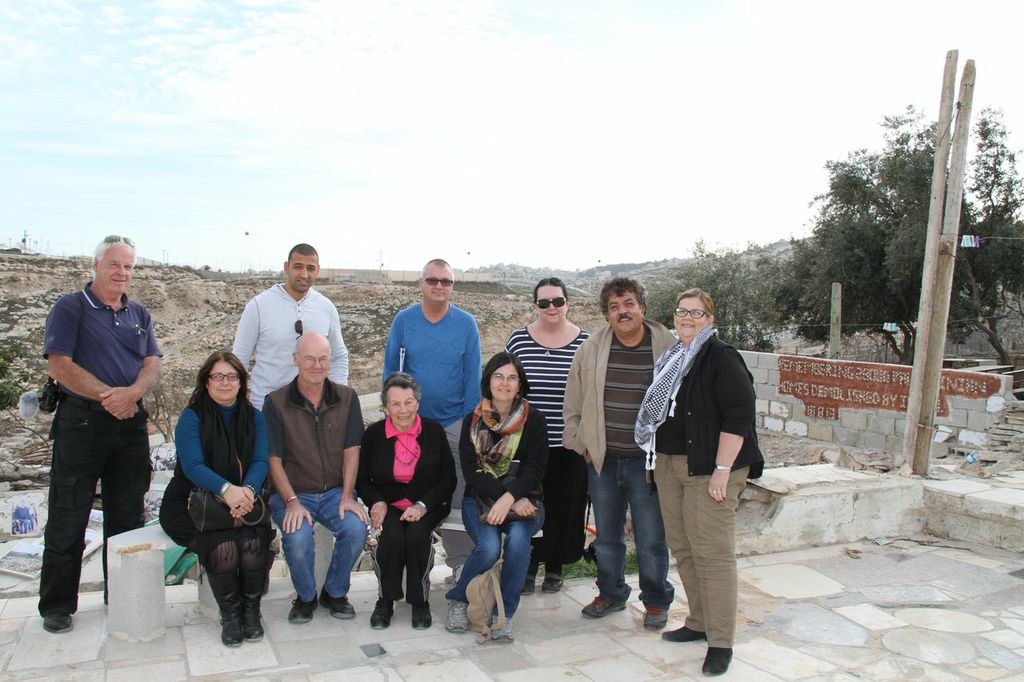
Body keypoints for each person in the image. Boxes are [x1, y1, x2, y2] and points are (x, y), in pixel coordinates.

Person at [635, 288, 764, 677]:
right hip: (671, 466)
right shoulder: (673, 357)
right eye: (681, 312)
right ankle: (699, 620)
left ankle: (720, 640)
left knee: (713, 553)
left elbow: (739, 415)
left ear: (709, 318)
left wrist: (723, 470)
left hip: (711, 469)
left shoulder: (721, 357)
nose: (687, 318)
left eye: (696, 312)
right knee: (685, 548)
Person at [38, 235, 162, 634]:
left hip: (129, 426)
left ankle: (122, 595)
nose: (121, 272)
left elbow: (151, 362)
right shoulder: (71, 308)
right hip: (82, 424)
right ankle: (57, 606)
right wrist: (110, 396)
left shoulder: (138, 313)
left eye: (127, 266)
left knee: (127, 517)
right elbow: (60, 365)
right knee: (68, 514)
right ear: (96, 265)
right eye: (114, 264)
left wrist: (135, 393)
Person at [563, 277, 675, 630]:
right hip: (603, 460)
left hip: (648, 463)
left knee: (651, 537)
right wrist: (580, 444)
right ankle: (611, 593)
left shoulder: (668, 347)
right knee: (608, 536)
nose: (622, 311)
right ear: (607, 315)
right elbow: (573, 401)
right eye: (613, 307)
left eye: (628, 303)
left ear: (642, 307)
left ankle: (656, 601)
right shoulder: (591, 348)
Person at [159, 351, 273, 647]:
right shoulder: (191, 417)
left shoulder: (254, 417)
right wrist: (228, 491)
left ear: (241, 382)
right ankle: (231, 615)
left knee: (251, 544)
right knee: (223, 548)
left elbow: (261, 461)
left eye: (232, 376)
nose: (225, 382)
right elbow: (194, 467)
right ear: (206, 382)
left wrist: (246, 491)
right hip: (195, 502)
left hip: (246, 500)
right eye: (218, 376)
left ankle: (251, 610)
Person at [262, 332, 368, 623]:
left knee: (357, 529)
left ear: (330, 360)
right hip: (294, 493)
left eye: (322, 359)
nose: (316, 365)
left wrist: (348, 495)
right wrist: (292, 501)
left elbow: (351, 450)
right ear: (296, 360)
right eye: (309, 358)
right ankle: (306, 597)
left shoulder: (347, 398)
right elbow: (273, 459)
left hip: (336, 491)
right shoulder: (276, 402)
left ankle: (334, 592)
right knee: (296, 539)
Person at [383, 258, 481, 573]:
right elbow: (391, 371)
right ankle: (410, 563)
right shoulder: (403, 321)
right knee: (410, 490)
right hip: (413, 424)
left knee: (457, 493)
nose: (439, 286)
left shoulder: (466, 324)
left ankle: (459, 564)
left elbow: (472, 377)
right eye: (432, 280)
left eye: (446, 281)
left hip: (454, 423)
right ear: (420, 284)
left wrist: (469, 425)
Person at [445, 352, 548, 643]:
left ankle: (504, 614)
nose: (504, 383)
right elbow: (472, 472)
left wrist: (512, 498)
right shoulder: (473, 421)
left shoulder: (535, 420)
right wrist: (507, 498)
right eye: (498, 376)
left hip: (528, 501)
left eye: (512, 377)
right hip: (479, 499)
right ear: (488, 381)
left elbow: (535, 468)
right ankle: (458, 599)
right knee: (488, 548)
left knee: (517, 541)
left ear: (520, 384)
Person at [505, 277, 590, 594]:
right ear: (535, 306)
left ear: (568, 303)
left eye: (557, 301)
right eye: (544, 302)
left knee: (564, 507)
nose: (551, 307)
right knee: (529, 505)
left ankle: (554, 567)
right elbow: (505, 384)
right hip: (527, 445)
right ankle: (527, 566)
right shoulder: (518, 341)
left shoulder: (587, 342)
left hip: (571, 445)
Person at [357, 372, 456, 630]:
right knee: (391, 535)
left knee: (416, 534)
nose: (403, 410)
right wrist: (376, 502)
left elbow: (447, 478)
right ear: (385, 407)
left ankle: (419, 600)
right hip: (387, 503)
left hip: (427, 503)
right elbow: (362, 480)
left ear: (418, 403)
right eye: (396, 404)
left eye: (409, 402)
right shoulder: (374, 435)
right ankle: (386, 600)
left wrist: (422, 505)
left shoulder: (433, 431)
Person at [233, 243, 349, 409]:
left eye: (310, 268)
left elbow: (339, 356)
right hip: (265, 408)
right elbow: (239, 358)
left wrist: (337, 399)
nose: (304, 274)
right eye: (298, 267)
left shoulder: (326, 308)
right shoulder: (259, 306)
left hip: (313, 411)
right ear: (287, 268)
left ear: (317, 270)